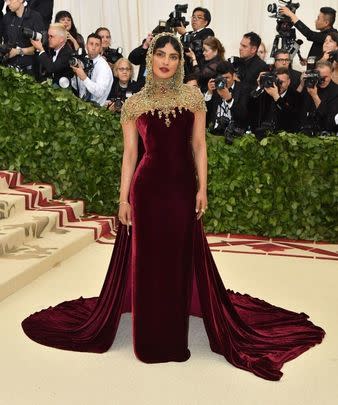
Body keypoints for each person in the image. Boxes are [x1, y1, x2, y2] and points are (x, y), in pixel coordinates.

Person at [22, 32, 324, 382]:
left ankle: (173, 328)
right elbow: (130, 156)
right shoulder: (134, 103)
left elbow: (199, 146)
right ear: (150, 58)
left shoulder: (193, 98)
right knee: (148, 262)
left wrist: (203, 189)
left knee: (178, 258)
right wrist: (123, 199)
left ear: (181, 62)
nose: (166, 61)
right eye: (160, 54)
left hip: (181, 189)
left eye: (173, 56)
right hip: (147, 190)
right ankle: (151, 341)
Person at [205, 61, 249, 137]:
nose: (224, 81)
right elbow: (206, 114)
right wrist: (209, 93)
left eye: (227, 78)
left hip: (234, 135)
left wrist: (229, 99)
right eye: (221, 78)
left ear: (233, 76)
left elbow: (243, 116)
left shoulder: (243, 90)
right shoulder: (215, 88)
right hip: (213, 135)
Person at [253, 67, 300, 137]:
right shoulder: (267, 93)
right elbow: (251, 105)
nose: (279, 85)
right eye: (277, 82)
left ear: (289, 82)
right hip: (264, 134)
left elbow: (291, 117)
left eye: (281, 82)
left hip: (285, 136)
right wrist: (260, 86)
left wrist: (276, 97)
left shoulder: (295, 96)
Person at [2, 0, 44, 75]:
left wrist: (17, 51)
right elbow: (6, 42)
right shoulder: (6, 18)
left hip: (29, 69)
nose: (7, 3)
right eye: (6, 1)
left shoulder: (35, 17)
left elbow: (39, 48)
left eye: (10, 0)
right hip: (9, 67)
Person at [71, 33, 113, 106]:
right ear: (86, 46)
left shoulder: (103, 67)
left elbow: (99, 92)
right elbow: (77, 87)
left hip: (98, 109)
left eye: (97, 45)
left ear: (100, 48)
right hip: (82, 106)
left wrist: (84, 77)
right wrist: (75, 75)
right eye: (91, 44)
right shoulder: (84, 61)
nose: (93, 47)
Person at [299, 61, 338, 134]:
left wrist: (315, 96)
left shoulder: (336, 91)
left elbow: (330, 120)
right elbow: (296, 107)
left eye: (325, 77)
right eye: (320, 77)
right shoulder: (310, 86)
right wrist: (301, 85)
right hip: (306, 132)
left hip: (326, 134)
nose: (322, 80)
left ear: (331, 74)